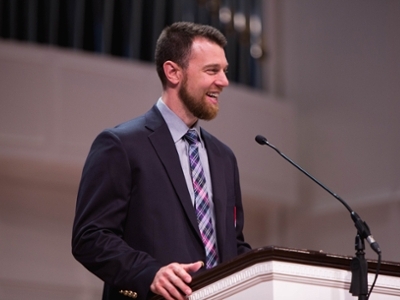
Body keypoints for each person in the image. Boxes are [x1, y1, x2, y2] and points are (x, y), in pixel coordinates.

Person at [72, 21, 251, 300]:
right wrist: (150, 273)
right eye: (212, 70)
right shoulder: (121, 145)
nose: (224, 81)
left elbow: (232, 244)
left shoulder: (223, 157)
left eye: (224, 71)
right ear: (173, 72)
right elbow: (90, 237)